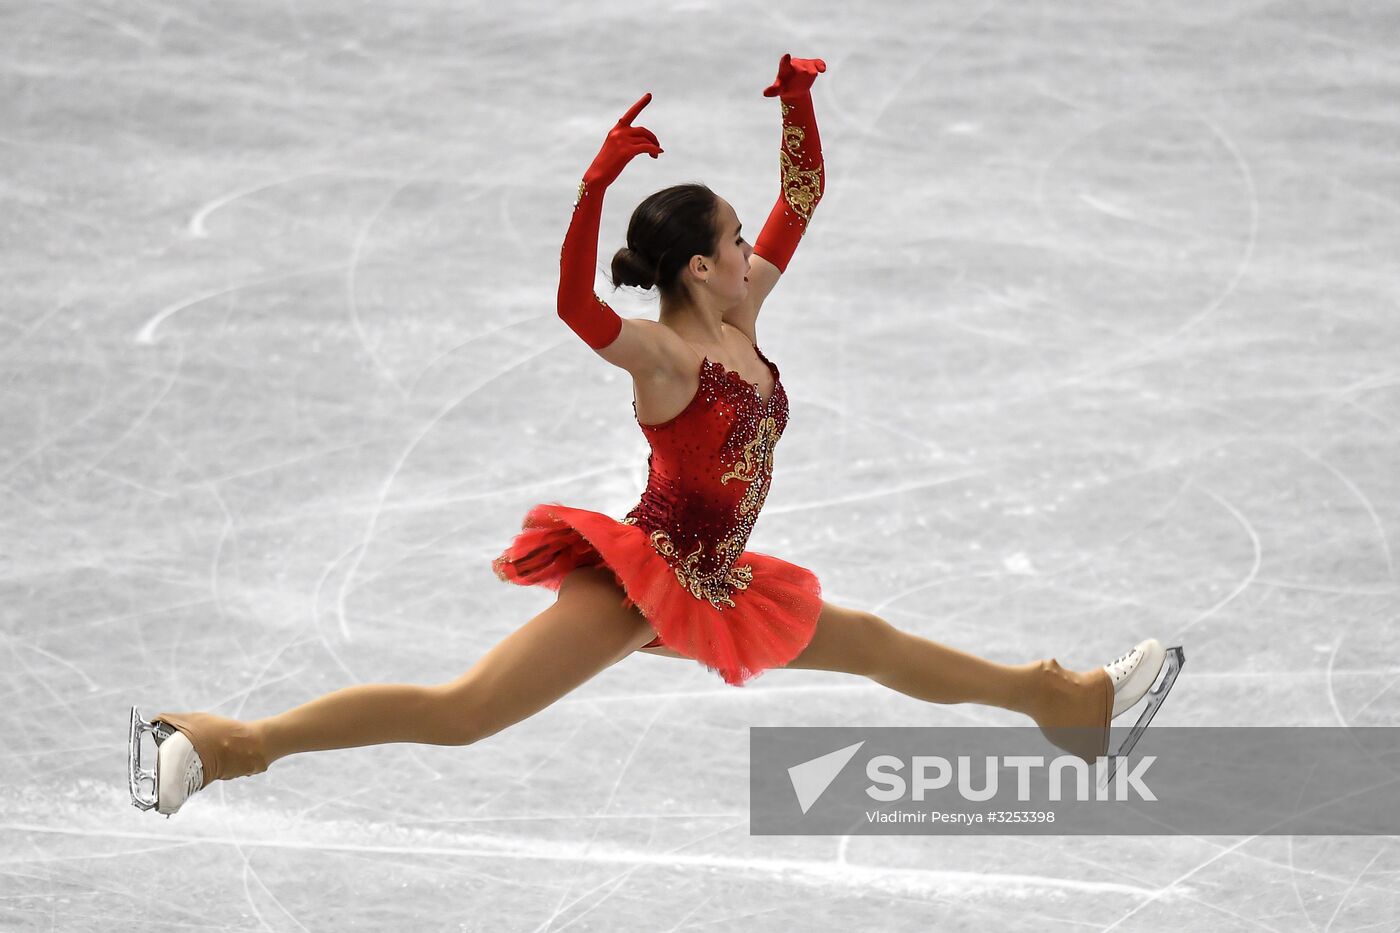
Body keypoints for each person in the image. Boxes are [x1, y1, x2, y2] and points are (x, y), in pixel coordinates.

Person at [129, 55, 1179, 818]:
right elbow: (571, 310)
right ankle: (221, 746)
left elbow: (803, 197)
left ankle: (1066, 702)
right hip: (645, 576)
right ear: (698, 267)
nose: (747, 244)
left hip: (720, 580)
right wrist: (591, 188)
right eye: (732, 237)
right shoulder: (664, 359)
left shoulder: (741, 314)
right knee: (463, 713)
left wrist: (797, 103)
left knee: (876, 647)